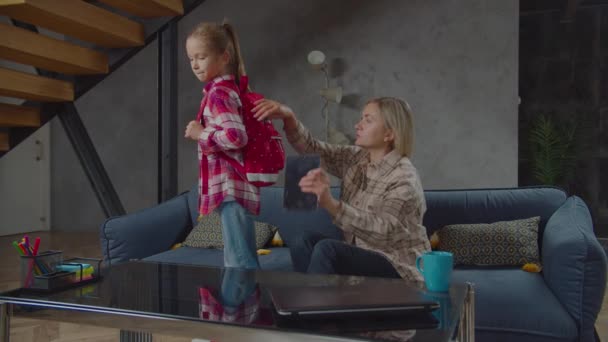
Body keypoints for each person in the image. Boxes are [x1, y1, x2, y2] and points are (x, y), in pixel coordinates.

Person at [252, 97, 431, 284]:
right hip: (364, 256)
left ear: (389, 134)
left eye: (368, 120)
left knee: (327, 250)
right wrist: (289, 117)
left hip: (398, 266)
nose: (357, 125)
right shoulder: (356, 158)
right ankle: (314, 302)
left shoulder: (404, 178)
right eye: (361, 118)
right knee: (302, 240)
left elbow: (384, 231)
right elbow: (313, 148)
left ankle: (312, 309)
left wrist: (331, 204)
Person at [184, 20, 259, 269]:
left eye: (201, 57)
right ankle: (241, 306)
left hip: (230, 187)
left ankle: (240, 307)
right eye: (191, 58)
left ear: (224, 56)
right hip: (233, 187)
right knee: (239, 258)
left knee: (239, 262)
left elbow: (237, 137)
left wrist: (201, 134)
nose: (194, 64)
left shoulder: (219, 94)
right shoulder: (225, 90)